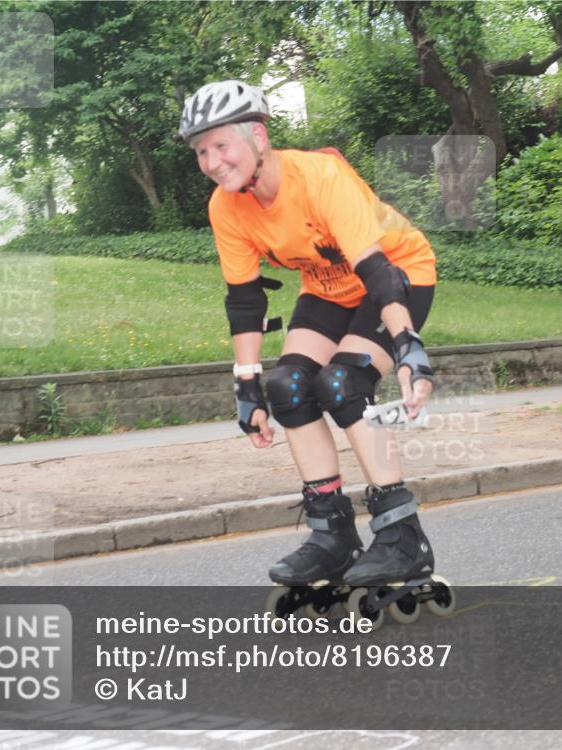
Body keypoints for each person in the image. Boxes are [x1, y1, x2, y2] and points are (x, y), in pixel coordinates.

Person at [178, 79, 438, 592]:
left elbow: (377, 270)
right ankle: (332, 537)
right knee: (288, 389)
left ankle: (403, 536)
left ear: (257, 136)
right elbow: (246, 301)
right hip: (327, 289)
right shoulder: (226, 207)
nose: (211, 161)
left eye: (220, 145)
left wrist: (408, 346)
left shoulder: (319, 176)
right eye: (201, 151)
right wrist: (247, 386)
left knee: (344, 384)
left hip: (397, 275)